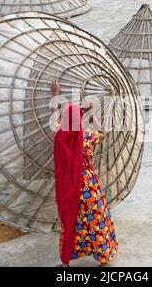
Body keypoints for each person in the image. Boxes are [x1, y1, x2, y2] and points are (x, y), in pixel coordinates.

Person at [51, 79, 118, 267]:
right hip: (88, 188)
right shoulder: (86, 137)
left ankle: (66, 262)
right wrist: (90, 114)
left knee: (72, 222)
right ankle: (103, 258)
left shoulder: (59, 136)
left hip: (69, 189)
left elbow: (54, 116)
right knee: (96, 221)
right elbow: (104, 133)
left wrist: (55, 95)